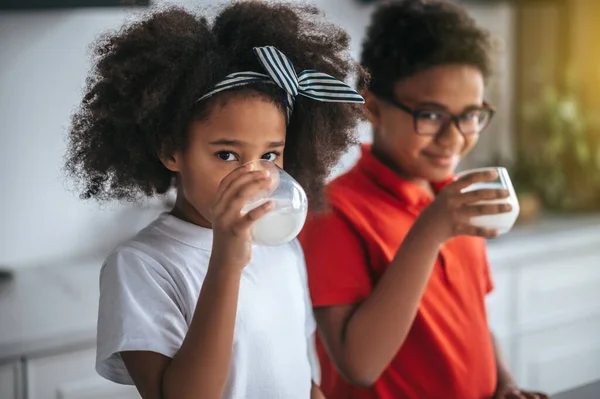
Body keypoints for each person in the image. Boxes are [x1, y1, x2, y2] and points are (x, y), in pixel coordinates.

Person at [64, 2, 365, 398]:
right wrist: (226, 261)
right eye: (227, 155)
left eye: (270, 155)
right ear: (172, 150)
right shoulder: (141, 266)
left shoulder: (282, 245)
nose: (254, 175)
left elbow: (288, 362)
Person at [299, 1, 549, 399]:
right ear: (373, 107)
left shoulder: (453, 199)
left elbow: (474, 321)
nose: (454, 139)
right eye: (431, 115)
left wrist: (505, 383)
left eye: (470, 115)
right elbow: (358, 365)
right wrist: (430, 231)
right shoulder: (335, 211)